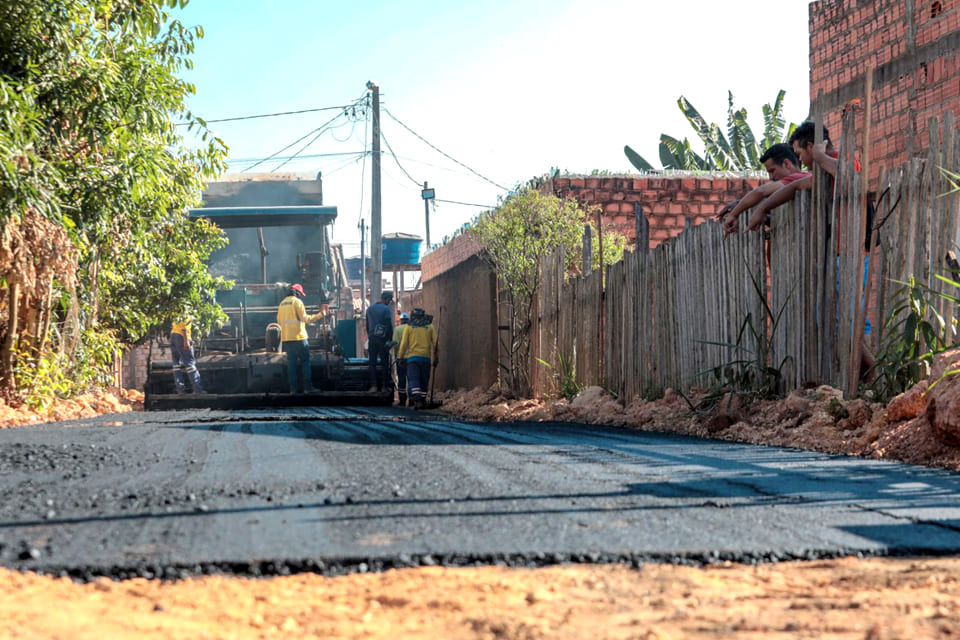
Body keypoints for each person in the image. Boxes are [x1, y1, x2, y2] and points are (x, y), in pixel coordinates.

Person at [719, 143, 809, 236]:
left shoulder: (799, 177)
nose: (771, 177)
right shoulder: (787, 190)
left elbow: (760, 192)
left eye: (772, 171)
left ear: (786, 164)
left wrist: (734, 214)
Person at [277, 283, 323, 394]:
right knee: (305, 362)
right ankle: (308, 388)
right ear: (297, 293)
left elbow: (279, 321)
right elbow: (305, 319)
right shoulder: (297, 302)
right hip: (299, 338)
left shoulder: (282, 304)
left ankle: (293, 389)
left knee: (291, 364)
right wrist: (321, 315)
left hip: (287, 339)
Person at [397, 307, 437, 409]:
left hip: (412, 359)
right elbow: (435, 344)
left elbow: (404, 344)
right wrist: (436, 357)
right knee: (424, 380)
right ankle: (422, 400)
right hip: (426, 359)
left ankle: (417, 398)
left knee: (413, 379)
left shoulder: (409, 327)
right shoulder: (430, 327)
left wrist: (400, 357)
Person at [365, 290, 394, 392]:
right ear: (387, 299)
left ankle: (374, 386)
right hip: (382, 339)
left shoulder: (369, 309)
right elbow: (388, 324)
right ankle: (384, 386)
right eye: (389, 300)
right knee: (384, 363)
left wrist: (370, 336)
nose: (389, 302)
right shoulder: (386, 309)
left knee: (372, 362)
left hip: (372, 339)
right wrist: (390, 339)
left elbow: (367, 325)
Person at [170, 320, 204, 394]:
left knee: (176, 365)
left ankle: (180, 389)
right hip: (182, 336)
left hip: (173, 335)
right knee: (190, 364)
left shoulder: (177, 314)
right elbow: (184, 327)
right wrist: (186, 341)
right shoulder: (187, 314)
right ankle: (198, 390)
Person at [392, 312, 410, 406]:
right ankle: (412, 400)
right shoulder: (412, 329)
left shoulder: (397, 329)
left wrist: (396, 356)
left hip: (401, 358)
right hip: (411, 358)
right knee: (411, 379)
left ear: (401, 321)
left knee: (402, 379)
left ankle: (402, 400)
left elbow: (395, 344)